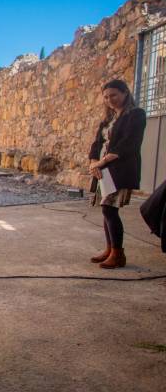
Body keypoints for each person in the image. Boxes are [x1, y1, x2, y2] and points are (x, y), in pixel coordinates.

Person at [88, 79, 147, 269]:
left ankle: (118, 254)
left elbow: (129, 144)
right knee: (106, 210)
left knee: (110, 209)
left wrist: (101, 162)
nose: (109, 99)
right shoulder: (108, 119)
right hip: (102, 171)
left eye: (113, 95)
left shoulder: (136, 115)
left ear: (124, 93)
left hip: (120, 169)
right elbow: (96, 144)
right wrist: (93, 164)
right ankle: (110, 249)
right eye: (105, 97)